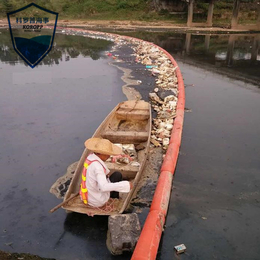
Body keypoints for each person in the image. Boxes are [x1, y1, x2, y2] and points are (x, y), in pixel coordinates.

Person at [79, 137, 132, 208]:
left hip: (86, 196)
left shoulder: (90, 158)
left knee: (115, 175)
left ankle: (113, 197)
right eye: (107, 154)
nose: (109, 156)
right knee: (117, 175)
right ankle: (114, 199)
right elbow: (103, 187)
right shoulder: (98, 167)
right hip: (97, 200)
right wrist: (126, 185)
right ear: (100, 153)